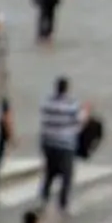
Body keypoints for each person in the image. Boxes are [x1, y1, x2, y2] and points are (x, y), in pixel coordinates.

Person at [36, 77, 85, 212]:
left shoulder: (47, 102)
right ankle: (63, 204)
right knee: (66, 176)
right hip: (65, 145)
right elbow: (79, 122)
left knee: (49, 173)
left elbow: (44, 118)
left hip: (48, 143)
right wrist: (86, 111)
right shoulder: (72, 104)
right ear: (67, 88)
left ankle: (44, 198)